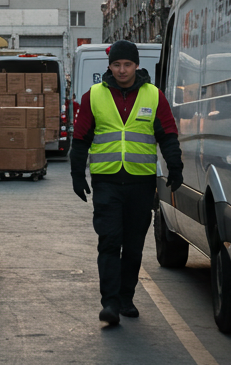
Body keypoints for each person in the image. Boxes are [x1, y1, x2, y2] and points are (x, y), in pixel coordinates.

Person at [70, 40, 184, 325]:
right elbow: (81, 138)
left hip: (141, 184)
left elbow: (168, 135)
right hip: (106, 182)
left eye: (127, 65)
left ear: (136, 65)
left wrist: (175, 167)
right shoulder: (93, 96)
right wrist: (76, 174)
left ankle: (126, 298)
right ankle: (109, 303)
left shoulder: (154, 96)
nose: (122, 70)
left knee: (133, 246)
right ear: (109, 66)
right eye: (117, 65)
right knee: (109, 241)